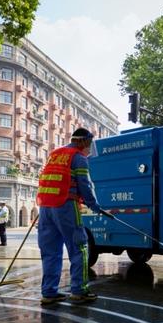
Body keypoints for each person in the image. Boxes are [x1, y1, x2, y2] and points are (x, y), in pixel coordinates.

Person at [37, 128, 105, 305]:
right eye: (89, 145)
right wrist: (94, 205)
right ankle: (79, 291)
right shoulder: (78, 157)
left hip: (45, 208)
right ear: (82, 142)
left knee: (50, 251)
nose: (89, 149)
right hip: (65, 206)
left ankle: (49, 293)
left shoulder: (54, 154)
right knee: (79, 248)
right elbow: (85, 185)